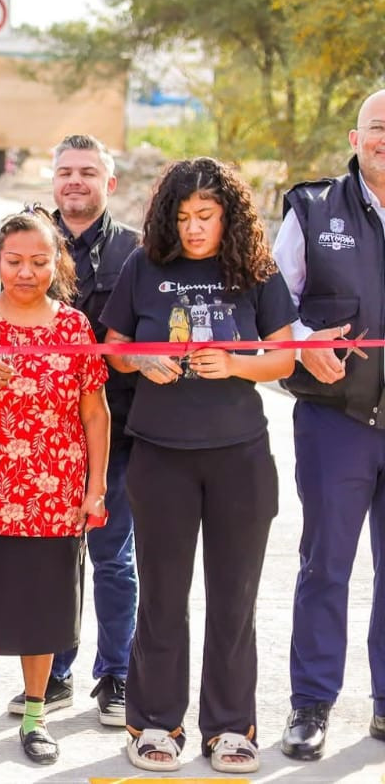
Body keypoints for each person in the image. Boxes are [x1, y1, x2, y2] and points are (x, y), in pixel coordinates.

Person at [101, 158, 295, 774]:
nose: (193, 229)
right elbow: (113, 348)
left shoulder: (255, 271)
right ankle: (156, 724)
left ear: (228, 216)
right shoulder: (145, 265)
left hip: (239, 457)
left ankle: (232, 729)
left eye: (206, 217)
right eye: (183, 217)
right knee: (161, 598)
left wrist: (237, 365)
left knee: (234, 598)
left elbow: (286, 357)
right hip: (160, 456)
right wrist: (141, 362)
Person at [0, 206, 109, 767]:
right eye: (14, 260)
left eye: (38, 260)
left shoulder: (75, 328)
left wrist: (95, 487)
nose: (26, 271)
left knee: (44, 611)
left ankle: (35, 716)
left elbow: (95, 413)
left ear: (57, 263)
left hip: (51, 496)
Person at [278, 89, 385, 760]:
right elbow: (271, 300)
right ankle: (311, 703)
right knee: (326, 565)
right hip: (335, 416)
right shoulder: (313, 209)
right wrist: (301, 337)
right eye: (379, 127)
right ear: (355, 136)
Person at [26, 134, 141, 726]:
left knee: (112, 558)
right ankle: (56, 673)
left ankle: (116, 676)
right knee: (53, 562)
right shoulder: (30, 243)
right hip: (39, 436)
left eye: (88, 172)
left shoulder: (137, 251)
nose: (75, 180)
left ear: (109, 183)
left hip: (115, 432)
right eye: (66, 170)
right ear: (53, 180)